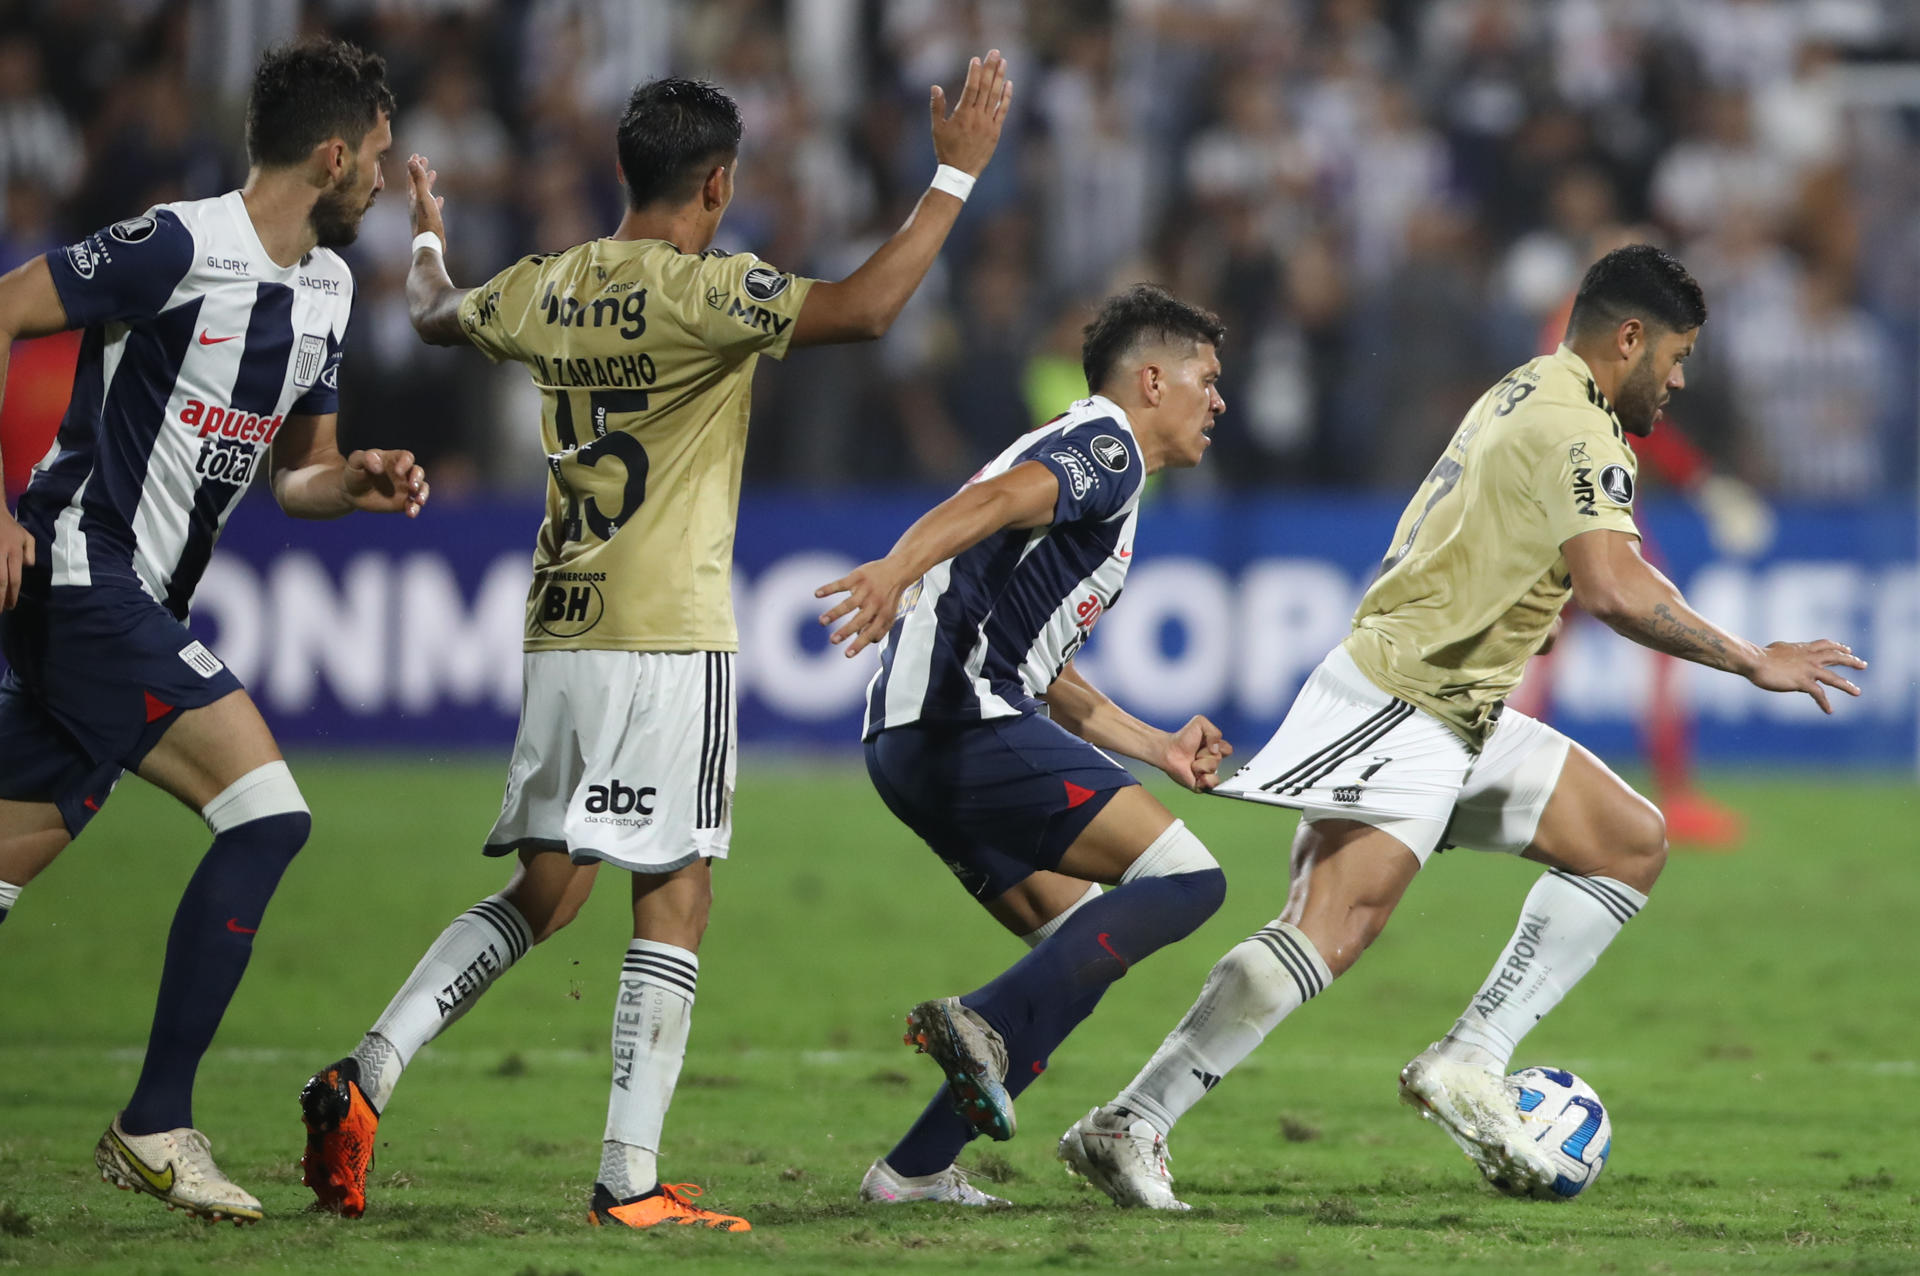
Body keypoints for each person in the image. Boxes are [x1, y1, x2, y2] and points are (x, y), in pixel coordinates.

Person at [299, 59, 1013, 1232]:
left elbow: (432, 313)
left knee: (546, 887)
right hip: (668, 636)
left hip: (561, 625)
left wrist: (429, 237)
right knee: (675, 894)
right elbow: (869, 307)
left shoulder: (550, 283)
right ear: (718, 184)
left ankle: (367, 1071)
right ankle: (629, 1177)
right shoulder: (705, 290)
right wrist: (955, 172)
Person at [1059, 245, 1866, 1209]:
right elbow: (1612, 588)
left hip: (1461, 709)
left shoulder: (1532, 388)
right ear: (1631, 338)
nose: (1681, 379)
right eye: (1679, 355)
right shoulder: (1582, 430)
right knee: (1332, 926)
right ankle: (1133, 1120)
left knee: (1628, 841)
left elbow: (1612, 563)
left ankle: (1472, 1059)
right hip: (1406, 702)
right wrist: (1749, 659)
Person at [0, 40, 424, 1223]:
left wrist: (363, 478)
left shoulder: (328, 290)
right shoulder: (176, 244)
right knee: (267, 813)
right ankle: (153, 1123)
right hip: (83, 575)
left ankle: (152, 1123)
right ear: (333, 155)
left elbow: (304, 476)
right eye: (378, 158)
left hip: (132, 605)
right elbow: (0, 313)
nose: (384, 181)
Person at [815, 284, 1232, 1208]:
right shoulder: (1108, 445)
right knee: (1191, 880)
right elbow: (999, 498)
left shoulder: (1095, 458)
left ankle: (911, 1172)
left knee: (1072, 950)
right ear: (1152, 381)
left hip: (918, 740)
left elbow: (1045, 671)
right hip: (960, 723)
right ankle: (982, 1023)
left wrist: (1155, 746)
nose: (1220, 401)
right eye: (1207, 379)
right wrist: (895, 567)